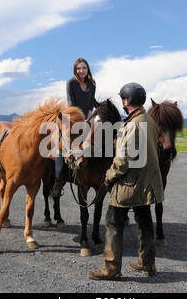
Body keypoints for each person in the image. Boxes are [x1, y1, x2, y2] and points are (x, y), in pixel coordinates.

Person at [87, 82, 164, 281]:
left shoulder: (131, 125)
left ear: (127, 101)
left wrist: (109, 177)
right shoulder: (150, 120)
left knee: (113, 223)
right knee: (145, 222)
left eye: (123, 99)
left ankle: (111, 269)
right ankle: (147, 264)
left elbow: (122, 161)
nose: (122, 102)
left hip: (129, 184)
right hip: (147, 182)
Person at [52, 58, 96, 197]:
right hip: (72, 116)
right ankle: (58, 181)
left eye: (84, 68)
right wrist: (79, 120)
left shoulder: (92, 84)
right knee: (62, 145)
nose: (81, 71)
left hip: (87, 118)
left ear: (88, 69)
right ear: (75, 70)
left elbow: (90, 105)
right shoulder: (71, 83)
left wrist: (88, 119)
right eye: (78, 68)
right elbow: (71, 103)